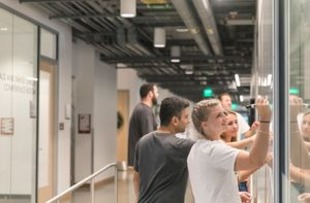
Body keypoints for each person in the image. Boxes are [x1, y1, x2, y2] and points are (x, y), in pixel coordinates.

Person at [187, 97, 271, 203]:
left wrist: (232, 195)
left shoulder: (197, 148)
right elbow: (255, 160)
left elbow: (209, 185)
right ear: (205, 125)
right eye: (218, 116)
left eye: (224, 113)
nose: (225, 118)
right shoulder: (214, 150)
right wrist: (265, 120)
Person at [133, 97, 195, 203]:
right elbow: (212, 147)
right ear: (175, 121)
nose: (188, 121)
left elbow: (136, 177)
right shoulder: (181, 146)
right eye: (186, 117)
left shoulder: (142, 141)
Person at [127, 83, 159, 166]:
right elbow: (148, 137)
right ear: (150, 94)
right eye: (156, 92)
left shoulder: (140, 108)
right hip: (143, 160)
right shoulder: (145, 111)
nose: (157, 95)